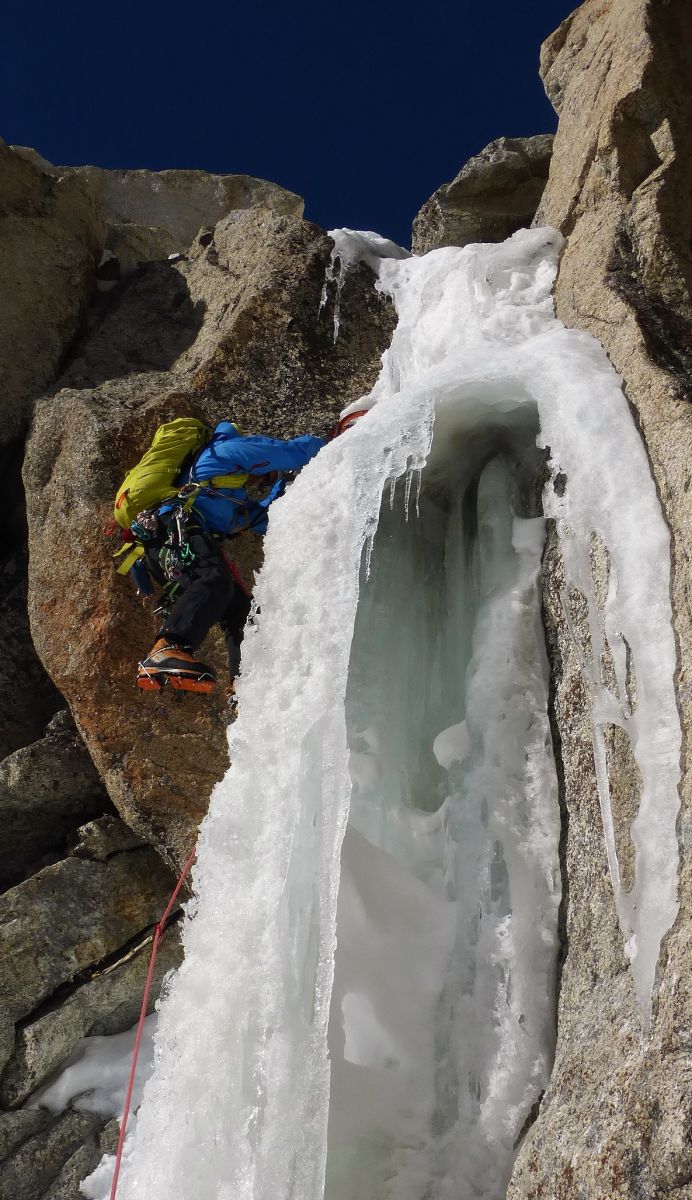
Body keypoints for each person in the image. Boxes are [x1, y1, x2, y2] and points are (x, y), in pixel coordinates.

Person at [131, 420, 325, 696]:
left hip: (165, 547)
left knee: (239, 612)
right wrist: (338, 440)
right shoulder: (225, 451)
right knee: (213, 580)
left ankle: (242, 685)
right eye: (265, 474)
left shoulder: (224, 494)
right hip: (176, 531)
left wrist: (283, 486)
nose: (260, 480)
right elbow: (292, 452)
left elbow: (260, 518)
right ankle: (167, 647)